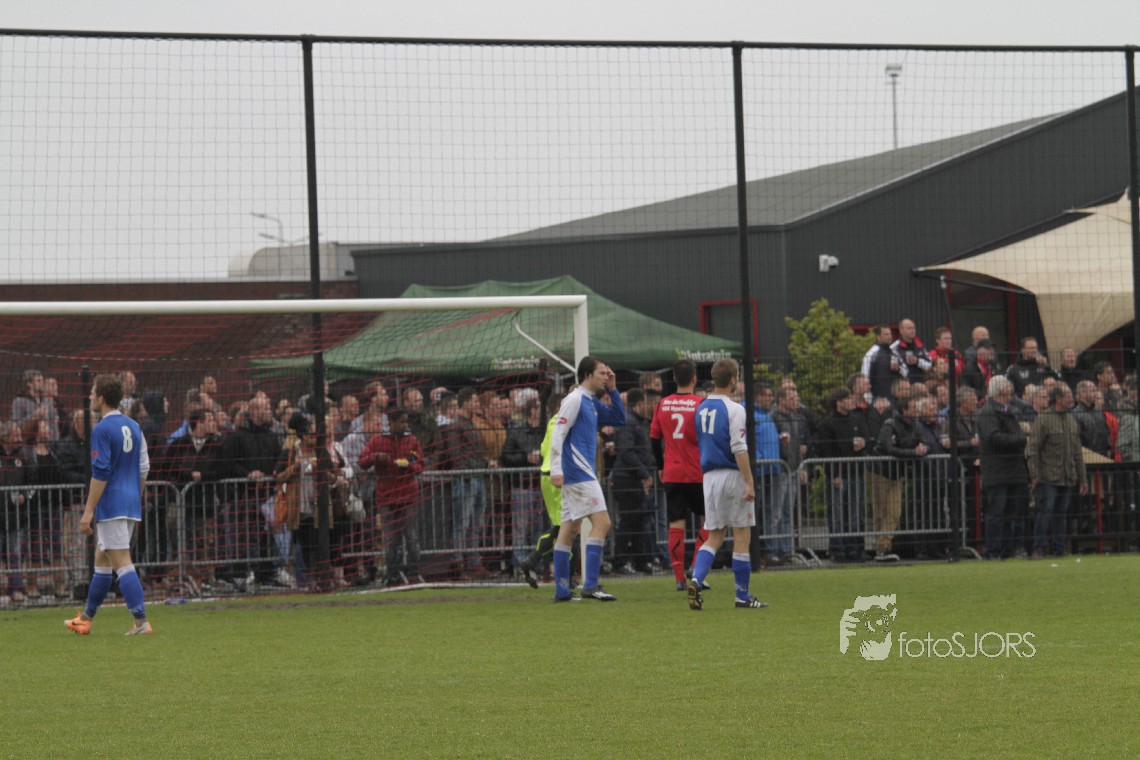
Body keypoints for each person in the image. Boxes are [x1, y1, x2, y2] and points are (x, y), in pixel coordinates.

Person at [65, 374, 152, 636]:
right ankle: (86, 619)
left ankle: (141, 622)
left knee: (122, 562)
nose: (90, 396)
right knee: (102, 561)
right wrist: (133, 496)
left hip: (111, 505)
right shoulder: (134, 426)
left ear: (101, 398)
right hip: (129, 502)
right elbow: (144, 467)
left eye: (93, 392)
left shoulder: (101, 429)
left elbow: (101, 472)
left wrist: (88, 511)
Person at [686, 358, 765, 610]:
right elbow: (739, 447)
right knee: (742, 534)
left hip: (710, 478)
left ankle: (696, 580)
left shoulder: (700, 408)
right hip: (732, 475)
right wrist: (749, 482)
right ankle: (742, 595)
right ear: (733, 379)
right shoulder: (735, 409)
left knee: (714, 535)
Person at [549, 356, 625, 602]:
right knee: (602, 523)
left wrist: (613, 389)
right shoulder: (574, 399)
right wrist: (556, 469)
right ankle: (590, 585)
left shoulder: (591, 401)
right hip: (579, 473)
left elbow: (618, 419)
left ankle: (562, 590)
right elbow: (558, 433)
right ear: (587, 375)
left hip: (579, 473)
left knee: (569, 529)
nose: (605, 376)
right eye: (601, 373)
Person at [650, 359, 711, 590]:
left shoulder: (662, 404)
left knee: (676, 523)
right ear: (694, 378)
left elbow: (654, 439)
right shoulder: (701, 405)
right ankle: (696, 569)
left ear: (674, 378)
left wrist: (661, 466)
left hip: (672, 473)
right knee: (710, 520)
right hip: (697, 473)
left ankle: (678, 577)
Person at [359, 409, 426, 587]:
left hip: (408, 496)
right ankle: (393, 575)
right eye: (402, 422)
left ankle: (414, 573)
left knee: (412, 538)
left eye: (406, 422)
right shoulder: (377, 441)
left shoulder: (412, 441)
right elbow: (362, 462)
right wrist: (375, 457)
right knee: (390, 541)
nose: (405, 425)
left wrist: (409, 467)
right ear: (391, 422)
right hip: (387, 498)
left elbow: (420, 464)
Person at [1028, 384, 1087, 558]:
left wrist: (1082, 478)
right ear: (1058, 399)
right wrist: (1035, 475)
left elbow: (1077, 452)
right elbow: (1032, 449)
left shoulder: (1071, 420)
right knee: (1045, 512)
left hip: (1066, 475)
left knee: (1061, 514)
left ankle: (1059, 548)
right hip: (1047, 476)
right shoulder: (1043, 419)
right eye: (1067, 395)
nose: (1071, 398)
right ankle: (1038, 548)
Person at [976, 375, 1029, 559]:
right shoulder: (988, 412)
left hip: (1013, 470)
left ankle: (1008, 549)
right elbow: (993, 437)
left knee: (1012, 513)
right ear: (1000, 390)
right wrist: (1020, 440)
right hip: (997, 471)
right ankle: (992, 550)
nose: (1010, 388)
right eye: (1007, 385)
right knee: (996, 514)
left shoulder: (1008, 410)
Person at [814, 387, 868, 561]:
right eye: (848, 398)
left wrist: (863, 444)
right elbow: (826, 452)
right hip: (839, 474)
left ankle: (855, 549)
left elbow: (867, 439)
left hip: (855, 472)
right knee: (837, 513)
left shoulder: (856, 419)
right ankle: (838, 550)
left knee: (855, 513)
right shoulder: (827, 424)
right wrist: (834, 474)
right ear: (839, 403)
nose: (852, 401)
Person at [609, 388, 657, 575]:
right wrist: (644, 473)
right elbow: (626, 452)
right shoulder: (629, 422)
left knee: (637, 520)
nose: (649, 406)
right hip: (626, 479)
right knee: (628, 521)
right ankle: (619, 562)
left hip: (633, 479)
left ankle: (639, 561)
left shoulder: (637, 422)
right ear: (640, 403)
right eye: (647, 402)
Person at [500, 397, 546, 576]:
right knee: (521, 527)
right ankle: (520, 563)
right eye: (538, 408)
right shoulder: (516, 431)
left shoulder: (544, 431)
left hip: (540, 485)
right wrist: (525, 458)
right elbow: (506, 457)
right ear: (532, 411)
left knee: (538, 528)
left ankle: (536, 562)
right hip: (522, 486)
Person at [861, 325, 897, 401]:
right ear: (878, 337)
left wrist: (898, 368)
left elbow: (905, 371)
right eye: (886, 334)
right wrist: (868, 398)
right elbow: (865, 374)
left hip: (894, 398)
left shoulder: (894, 352)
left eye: (890, 334)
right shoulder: (872, 353)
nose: (889, 336)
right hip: (878, 398)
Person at [891, 318, 932, 383]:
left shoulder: (919, 344)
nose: (912, 330)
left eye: (913, 328)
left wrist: (917, 361)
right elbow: (896, 366)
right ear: (901, 331)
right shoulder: (894, 347)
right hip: (904, 382)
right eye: (909, 328)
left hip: (921, 381)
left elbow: (929, 364)